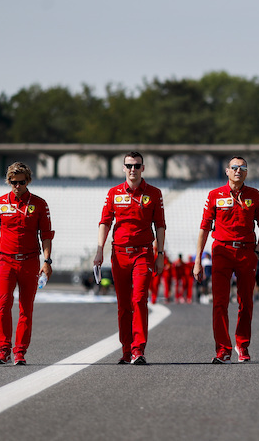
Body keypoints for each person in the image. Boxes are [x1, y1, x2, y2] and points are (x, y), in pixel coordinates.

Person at [193, 156, 259, 364]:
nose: (238, 171)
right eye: (234, 168)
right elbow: (205, 228)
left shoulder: (254, 195)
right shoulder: (215, 195)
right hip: (222, 252)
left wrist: (257, 252)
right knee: (219, 302)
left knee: (246, 302)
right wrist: (198, 259)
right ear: (227, 171)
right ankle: (223, 349)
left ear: (246, 172)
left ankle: (242, 345)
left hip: (246, 253)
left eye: (242, 168)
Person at [94, 151, 166, 365]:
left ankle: (138, 350)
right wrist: (99, 251)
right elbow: (105, 222)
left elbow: (160, 225)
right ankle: (126, 350)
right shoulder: (114, 193)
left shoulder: (154, 193)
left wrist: (160, 254)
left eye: (137, 165)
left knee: (139, 299)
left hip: (143, 253)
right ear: (123, 168)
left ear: (143, 168)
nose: (132, 169)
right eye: (129, 165)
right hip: (119, 254)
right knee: (124, 304)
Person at [0, 162, 54, 366]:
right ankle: (3, 350)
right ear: (8, 182)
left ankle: (20, 351)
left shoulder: (39, 204)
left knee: (26, 308)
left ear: (27, 181)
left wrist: (47, 261)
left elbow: (46, 236)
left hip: (30, 261)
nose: (17, 186)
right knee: (3, 305)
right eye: (13, 182)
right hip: (6, 261)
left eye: (21, 182)